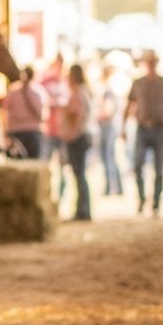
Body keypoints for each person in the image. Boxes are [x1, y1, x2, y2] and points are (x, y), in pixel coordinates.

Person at [123, 49, 163, 216]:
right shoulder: (138, 83)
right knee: (138, 165)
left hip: (158, 127)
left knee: (159, 167)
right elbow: (129, 104)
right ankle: (141, 199)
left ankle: (156, 202)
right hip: (142, 127)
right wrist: (123, 126)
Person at [61, 63, 94, 221]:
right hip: (82, 135)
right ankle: (83, 209)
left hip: (77, 137)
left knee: (79, 174)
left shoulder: (78, 93)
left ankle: (83, 210)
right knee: (80, 175)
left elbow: (76, 115)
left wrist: (71, 134)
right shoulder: (84, 91)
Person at [0, 65, 48, 159]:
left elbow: (3, 111)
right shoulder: (38, 91)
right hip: (32, 132)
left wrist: (5, 130)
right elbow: (43, 115)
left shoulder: (13, 90)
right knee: (33, 162)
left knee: (18, 163)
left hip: (16, 131)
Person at [41, 53, 70, 201]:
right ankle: (47, 194)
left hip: (62, 130)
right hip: (49, 129)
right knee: (45, 164)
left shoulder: (67, 81)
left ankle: (60, 196)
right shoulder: (46, 80)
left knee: (63, 166)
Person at [97, 62, 125, 196]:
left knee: (108, 157)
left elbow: (108, 111)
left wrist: (97, 116)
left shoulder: (108, 92)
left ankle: (110, 187)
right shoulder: (111, 91)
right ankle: (117, 187)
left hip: (108, 127)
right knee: (111, 157)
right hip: (111, 127)